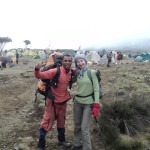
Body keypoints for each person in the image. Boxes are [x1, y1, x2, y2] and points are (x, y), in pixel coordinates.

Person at [34, 54, 74, 150]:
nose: (67, 62)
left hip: (63, 103)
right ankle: (41, 145)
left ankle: (61, 141)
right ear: (62, 62)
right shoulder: (55, 71)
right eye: (66, 61)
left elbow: (81, 71)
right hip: (52, 103)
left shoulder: (72, 72)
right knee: (46, 123)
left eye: (69, 61)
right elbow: (40, 75)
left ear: (71, 62)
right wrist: (36, 69)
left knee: (61, 122)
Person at [71, 54, 101, 150]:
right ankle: (77, 143)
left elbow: (96, 89)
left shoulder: (92, 73)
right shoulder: (77, 74)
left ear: (85, 61)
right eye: (78, 62)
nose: (80, 63)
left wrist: (96, 104)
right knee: (77, 125)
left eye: (81, 61)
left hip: (89, 103)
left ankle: (87, 148)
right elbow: (70, 83)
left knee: (84, 128)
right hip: (78, 102)